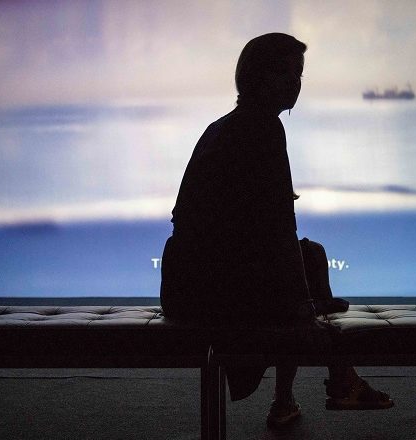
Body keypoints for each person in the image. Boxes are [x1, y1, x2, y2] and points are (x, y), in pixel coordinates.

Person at [160, 33, 393, 428]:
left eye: (299, 75)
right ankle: (329, 380)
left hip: (188, 285)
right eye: (286, 73)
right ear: (258, 76)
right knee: (306, 265)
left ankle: (308, 389)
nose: (295, 83)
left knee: (307, 260)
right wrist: (304, 303)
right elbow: (278, 228)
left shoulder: (225, 126)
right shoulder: (263, 129)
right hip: (210, 292)